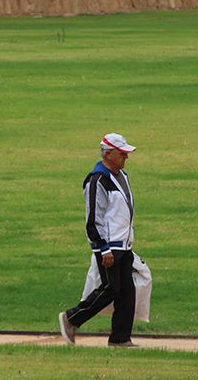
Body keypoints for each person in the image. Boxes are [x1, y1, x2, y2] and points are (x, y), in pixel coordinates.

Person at [58, 133, 143, 349]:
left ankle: (120, 339)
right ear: (108, 154)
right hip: (108, 247)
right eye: (122, 154)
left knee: (127, 293)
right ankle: (71, 319)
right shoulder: (97, 180)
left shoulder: (121, 176)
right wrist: (102, 248)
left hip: (123, 246)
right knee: (111, 289)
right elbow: (93, 219)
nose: (126, 157)